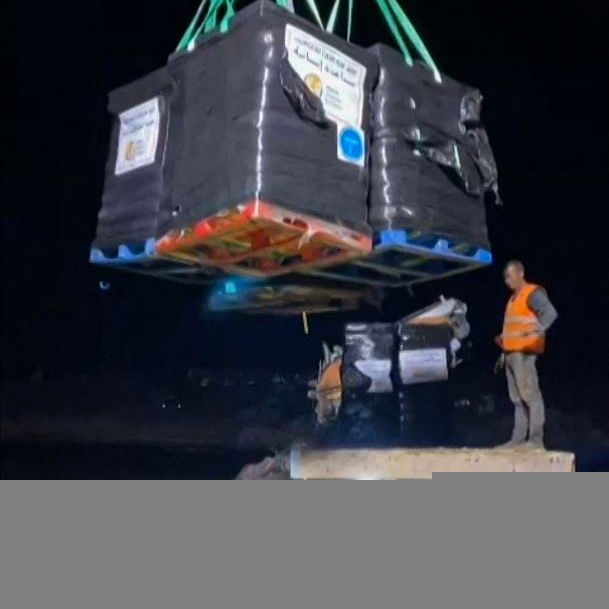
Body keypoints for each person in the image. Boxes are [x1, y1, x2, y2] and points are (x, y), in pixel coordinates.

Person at [495, 261, 558, 447]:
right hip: (511, 353)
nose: (507, 281)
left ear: (520, 273)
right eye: (505, 277)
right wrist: (504, 351)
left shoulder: (532, 293)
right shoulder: (514, 299)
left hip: (524, 352)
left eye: (510, 276)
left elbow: (550, 313)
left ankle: (536, 440)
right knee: (516, 398)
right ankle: (518, 439)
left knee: (530, 394)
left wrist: (537, 332)